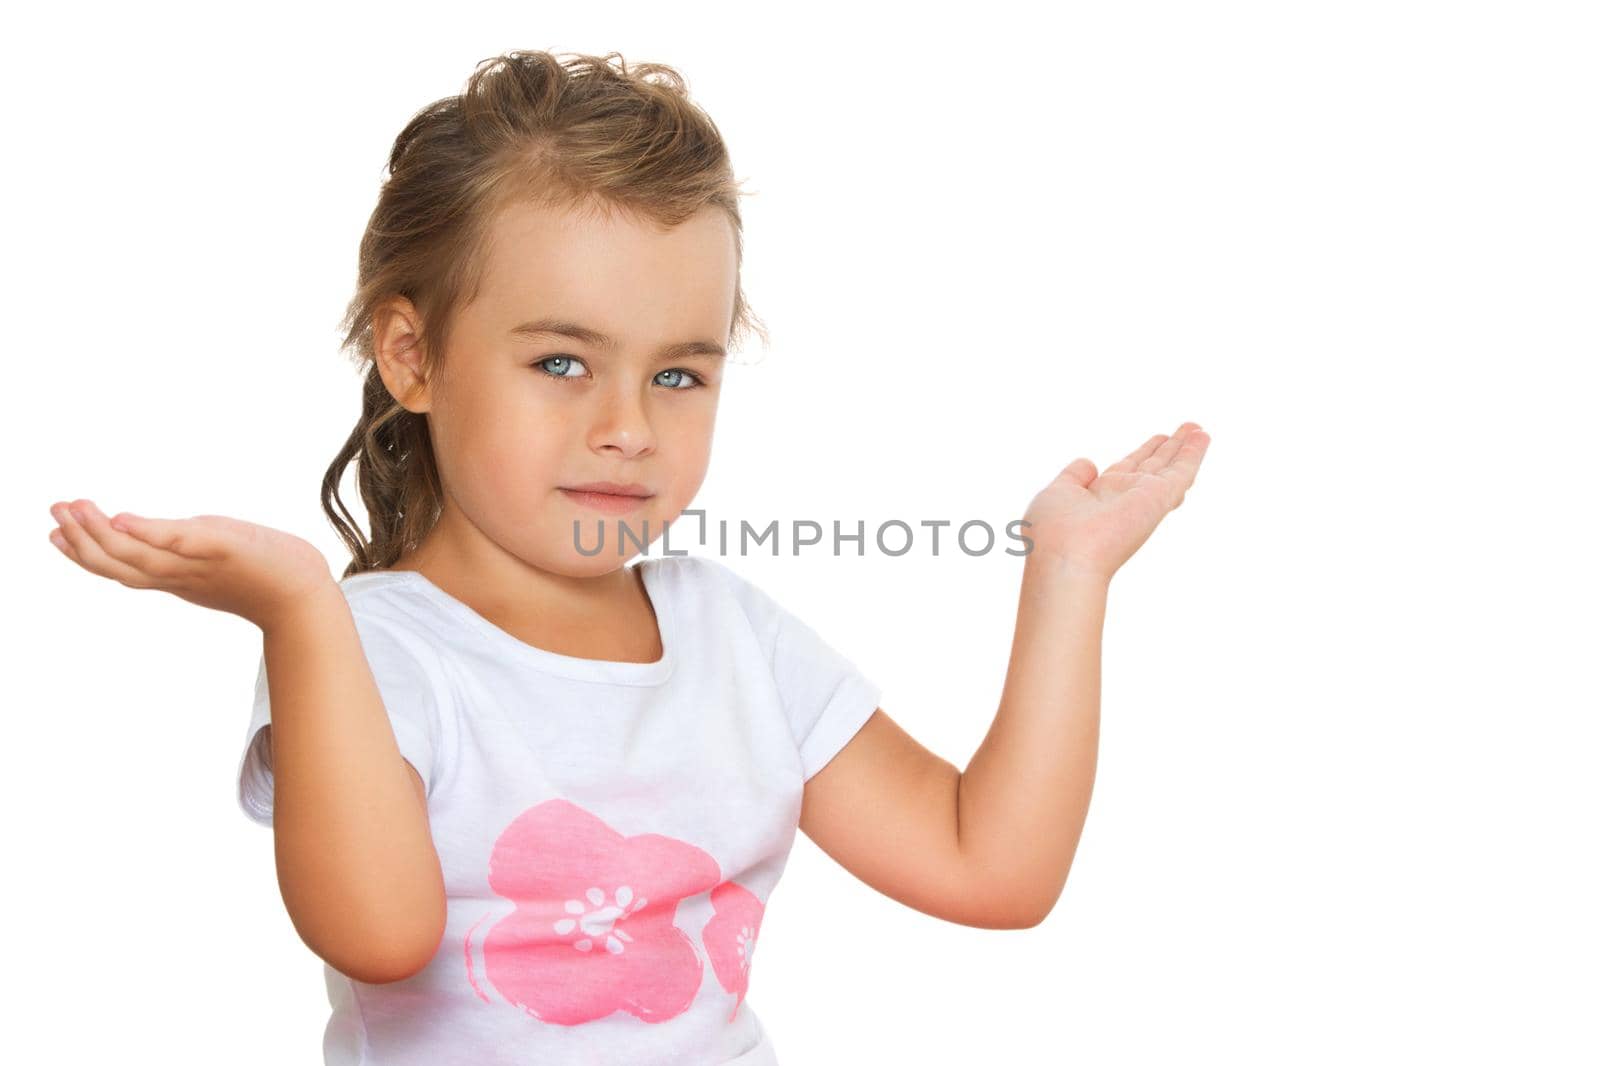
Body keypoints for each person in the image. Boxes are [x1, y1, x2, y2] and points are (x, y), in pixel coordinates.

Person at [45, 49, 1210, 1066]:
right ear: (413, 356)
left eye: (678, 373)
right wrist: (297, 609)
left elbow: (987, 869)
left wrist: (1069, 574)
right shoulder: (368, 656)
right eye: (560, 361)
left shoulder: (736, 637)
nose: (628, 425)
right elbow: (377, 934)